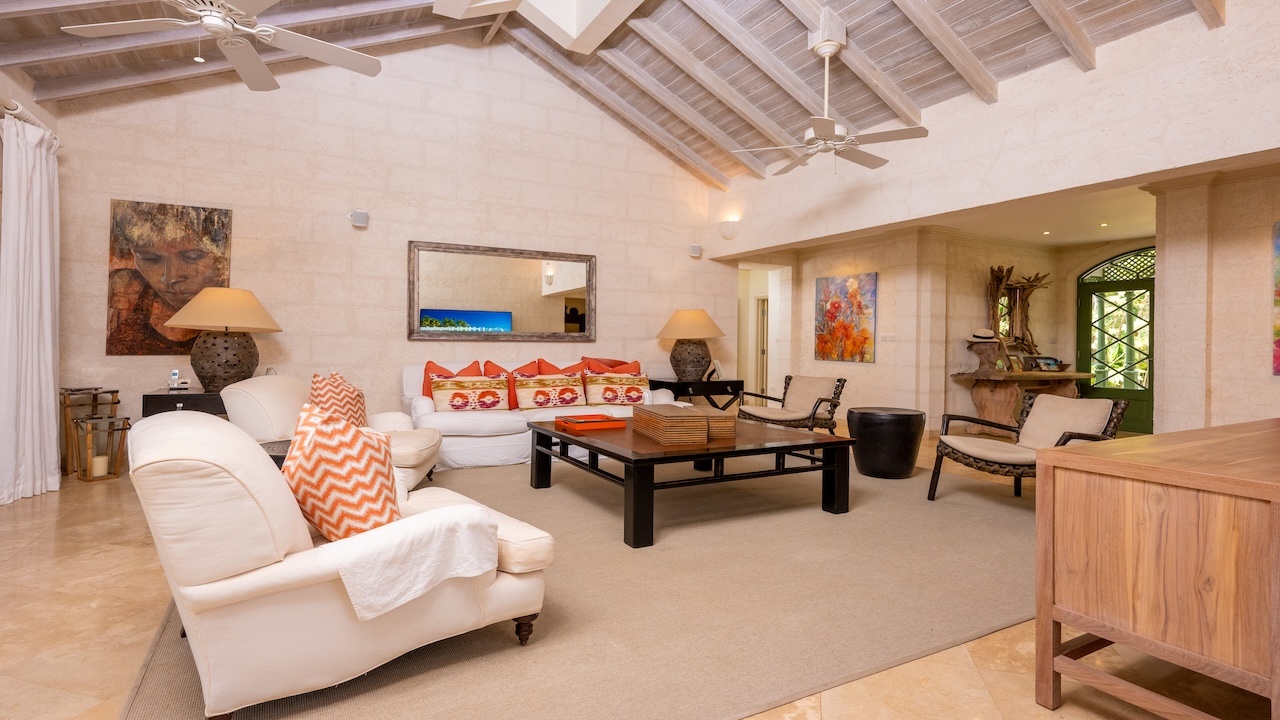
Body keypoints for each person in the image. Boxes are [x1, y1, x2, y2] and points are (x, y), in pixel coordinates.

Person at [105, 201, 231, 355]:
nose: (171, 278)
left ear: (222, 259)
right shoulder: (123, 291)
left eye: (192, 257)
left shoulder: (233, 308)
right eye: (150, 258)